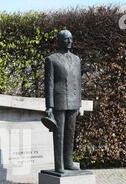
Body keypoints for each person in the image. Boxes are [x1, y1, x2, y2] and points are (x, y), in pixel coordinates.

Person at [41, 29, 81, 174]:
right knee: (59, 134)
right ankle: (59, 165)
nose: (69, 41)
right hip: (58, 101)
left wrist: (79, 103)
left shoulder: (77, 59)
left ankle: (68, 162)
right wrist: (49, 106)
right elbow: (49, 84)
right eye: (66, 39)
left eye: (70, 38)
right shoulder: (51, 59)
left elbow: (78, 82)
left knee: (70, 133)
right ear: (59, 41)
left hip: (73, 101)